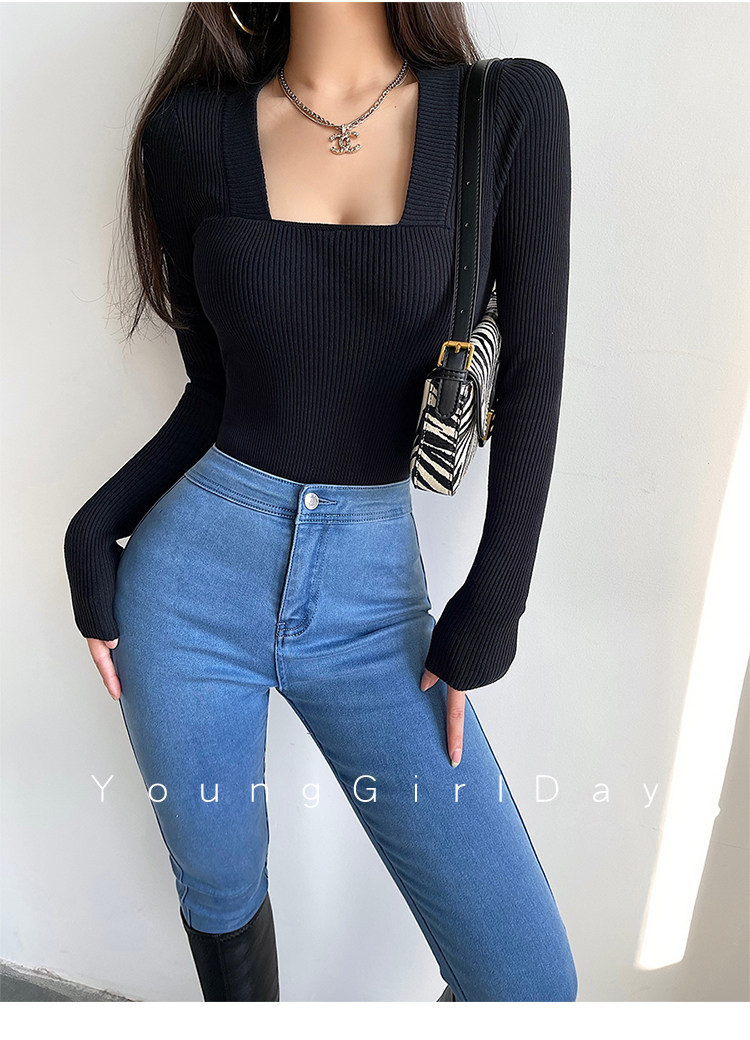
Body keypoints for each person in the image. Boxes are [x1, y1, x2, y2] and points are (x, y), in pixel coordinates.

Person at [63, 1, 576, 1002]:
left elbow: (535, 378)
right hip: (189, 590)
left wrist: (497, 597)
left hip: (375, 604)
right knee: (220, 898)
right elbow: (215, 390)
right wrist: (96, 523)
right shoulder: (189, 132)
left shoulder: (505, 109)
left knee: (526, 983)